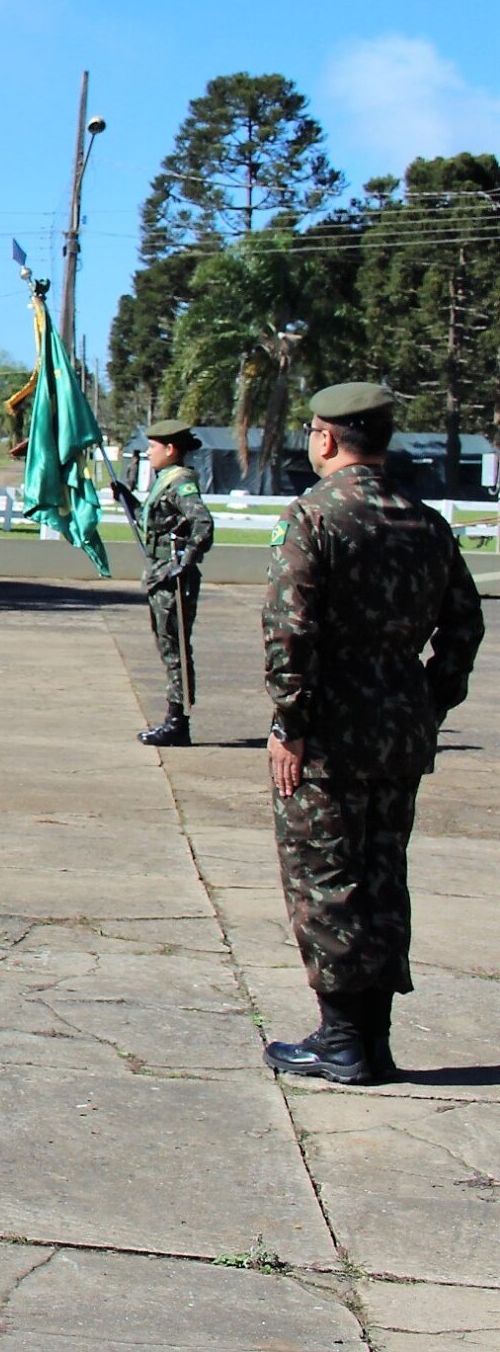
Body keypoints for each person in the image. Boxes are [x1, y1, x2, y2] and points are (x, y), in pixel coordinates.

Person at [260, 382, 482, 1085]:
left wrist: (290, 722)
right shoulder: (425, 521)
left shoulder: (317, 517)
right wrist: (427, 700)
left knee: (325, 878)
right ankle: (373, 1038)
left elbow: (290, 630)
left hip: (328, 732)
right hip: (399, 730)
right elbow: (465, 626)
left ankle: (342, 1040)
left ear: (326, 438)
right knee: (384, 875)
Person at [136, 420, 215, 747]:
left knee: (175, 650)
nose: (148, 452)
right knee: (167, 645)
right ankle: (174, 718)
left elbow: (203, 523)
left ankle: (177, 721)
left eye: (153, 447)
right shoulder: (165, 480)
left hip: (172, 579)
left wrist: (185, 561)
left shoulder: (180, 482)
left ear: (170, 449)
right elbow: (158, 522)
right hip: (160, 575)